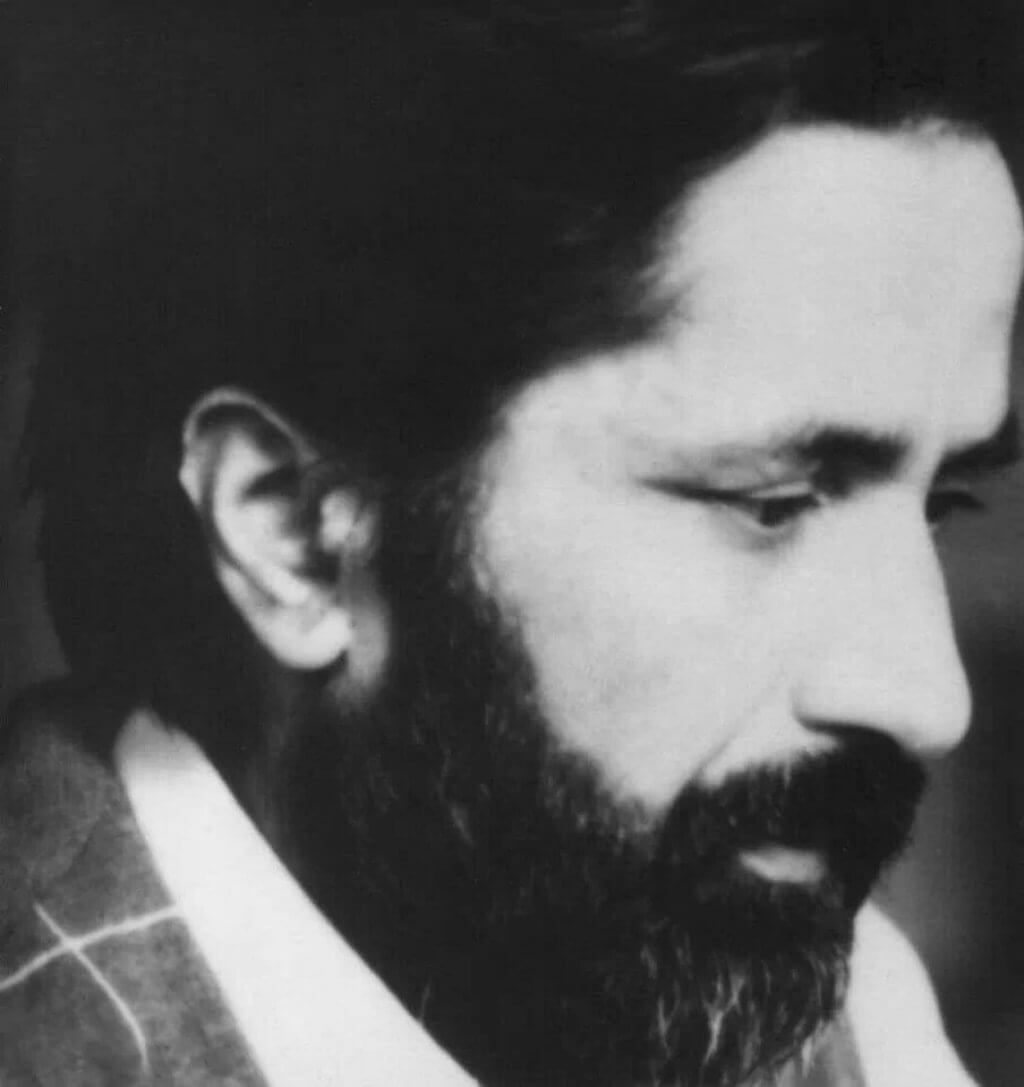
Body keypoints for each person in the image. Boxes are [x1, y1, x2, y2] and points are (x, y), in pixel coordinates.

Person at [5, 1, 1024, 1083]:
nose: (930, 698)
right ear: (293, 532)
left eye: (937, 503)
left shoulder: (840, 1012)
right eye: (768, 502)